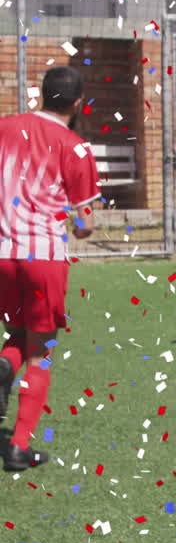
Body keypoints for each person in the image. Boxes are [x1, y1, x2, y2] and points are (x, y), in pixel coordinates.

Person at [0, 66, 99, 472]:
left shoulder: (4, 127)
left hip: (2, 253)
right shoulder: (76, 148)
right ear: (78, 103)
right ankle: (18, 448)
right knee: (41, 349)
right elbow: (86, 222)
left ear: (41, 94)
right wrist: (78, 224)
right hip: (43, 258)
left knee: (16, 334)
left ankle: (5, 366)